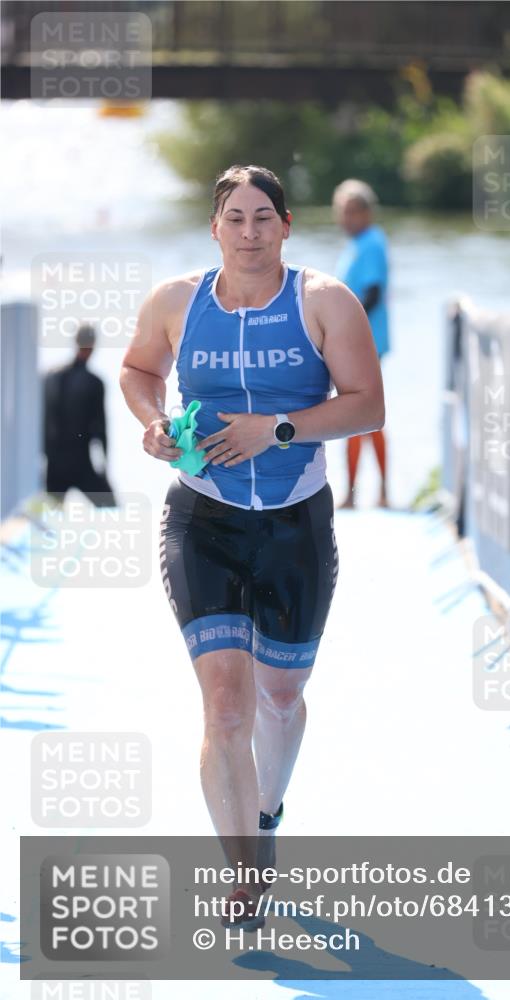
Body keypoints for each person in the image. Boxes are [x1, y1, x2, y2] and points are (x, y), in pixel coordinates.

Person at [120, 164, 384, 929]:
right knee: (226, 707)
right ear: (214, 229)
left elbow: (368, 405)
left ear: (286, 225)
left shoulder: (323, 302)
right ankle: (243, 872)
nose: (248, 232)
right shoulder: (175, 301)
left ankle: (266, 811)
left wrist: (276, 428)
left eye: (262, 217)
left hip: (295, 524)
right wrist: (155, 421)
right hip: (201, 520)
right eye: (234, 218)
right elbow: (139, 371)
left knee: (279, 697)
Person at [333, 179, 390, 508]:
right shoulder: (357, 244)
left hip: (364, 341)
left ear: (368, 213)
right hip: (356, 341)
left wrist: (343, 327)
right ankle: (358, 492)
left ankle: (373, 493)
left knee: (362, 414)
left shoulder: (371, 243)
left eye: (354, 212)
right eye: (342, 212)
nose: (347, 218)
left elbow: (372, 293)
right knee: (359, 416)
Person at [43, 323, 116, 506]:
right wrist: (105, 467)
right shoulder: (94, 382)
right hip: (81, 461)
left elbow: (42, 421)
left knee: (49, 518)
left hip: (54, 463)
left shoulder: (51, 377)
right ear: (92, 345)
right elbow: (101, 428)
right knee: (111, 508)